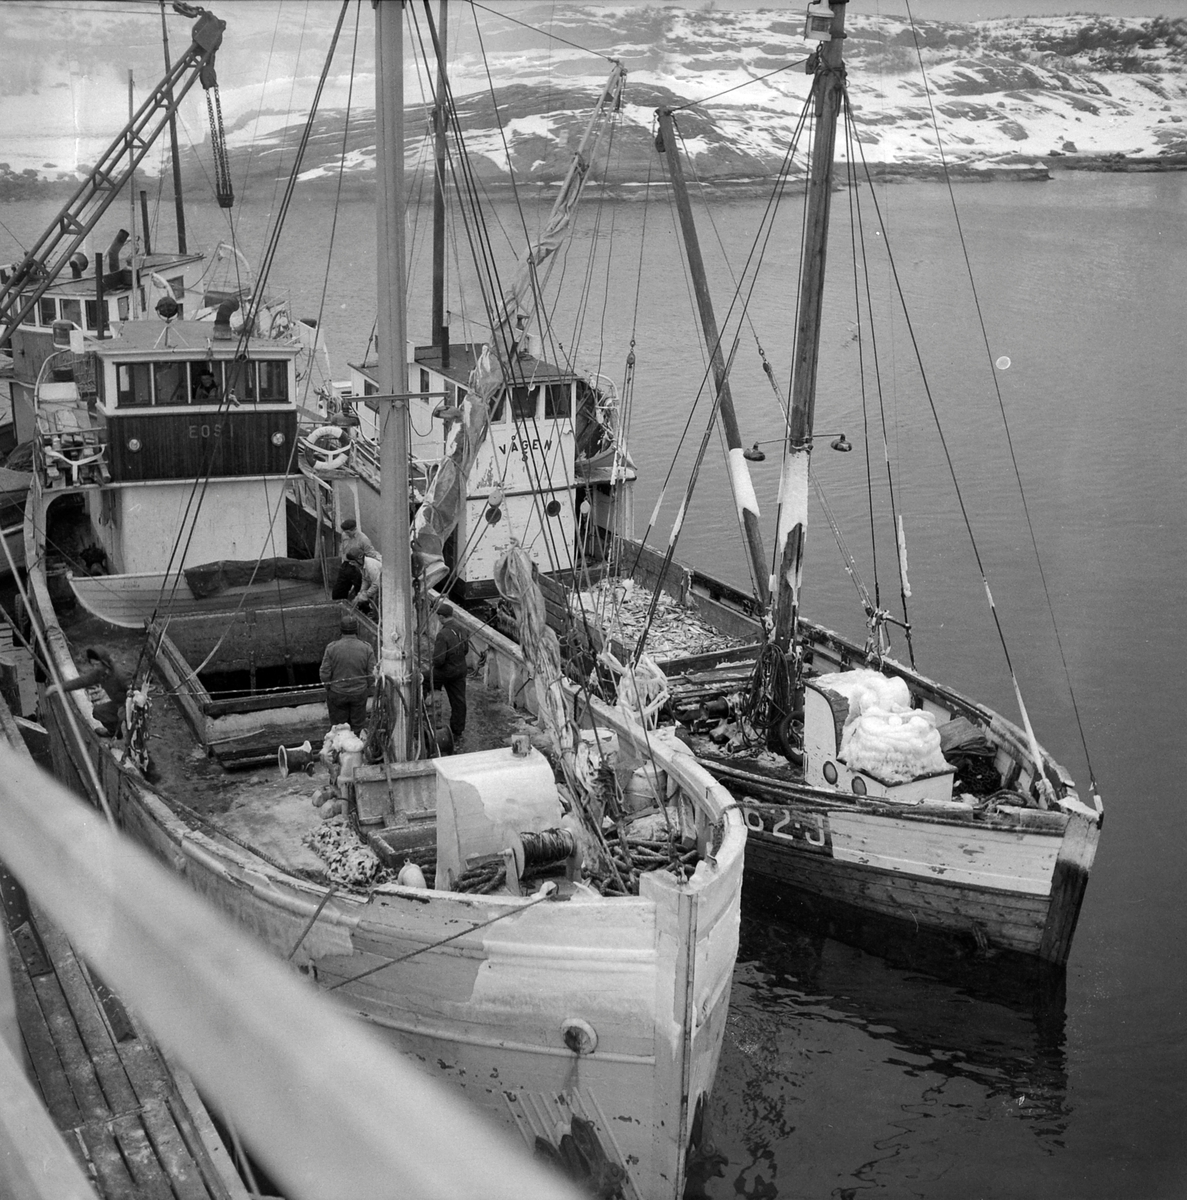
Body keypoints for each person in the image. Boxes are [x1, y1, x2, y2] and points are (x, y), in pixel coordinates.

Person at [46, 647, 130, 738]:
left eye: (97, 664)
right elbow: (82, 681)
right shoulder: (100, 673)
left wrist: (127, 707)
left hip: (130, 707)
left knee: (131, 728)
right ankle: (114, 733)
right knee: (99, 712)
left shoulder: (120, 675)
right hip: (118, 704)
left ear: (104, 663)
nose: (95, 668)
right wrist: (59, 687)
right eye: (93, 665)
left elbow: (137, 692)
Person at [319, 614, 375, 735]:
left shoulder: (331, 648)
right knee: (358, 729)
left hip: (337, 694)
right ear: (357, 630)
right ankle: (357, 751)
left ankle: (340, 751)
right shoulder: (366, 648)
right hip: (359, 694)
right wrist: (366, 687)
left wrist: (329, 687)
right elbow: (372, 674)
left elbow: (324, 673)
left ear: (341, 630)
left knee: (338, 730)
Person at [422, 602, 469, 744]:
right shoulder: (462, 629)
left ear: (441, 617)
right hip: (460, 670)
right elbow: (466, 650)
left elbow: (438, 660)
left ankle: (425, 709)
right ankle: (457, 731)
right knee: (459, 702)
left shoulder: (443, 634)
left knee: (421, 678)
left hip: (446, 672)